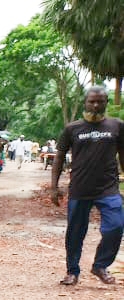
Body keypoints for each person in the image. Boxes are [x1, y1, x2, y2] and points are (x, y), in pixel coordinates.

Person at [51, 86, 124, 286]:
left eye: (100, 101)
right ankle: (72, 271)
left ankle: (100, 265)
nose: (95, 105)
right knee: (75, 232)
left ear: (106, 102)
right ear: (85, 102)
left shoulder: (117, 126)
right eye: (92, 101)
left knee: (116, 227)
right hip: (79, 189)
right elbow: (58, 158)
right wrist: (54, 187)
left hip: (108, 189)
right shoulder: (72, 128)